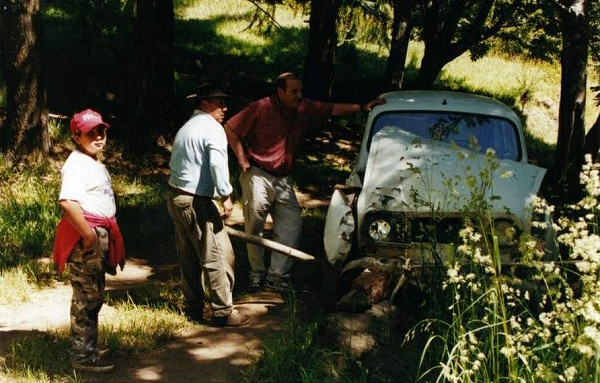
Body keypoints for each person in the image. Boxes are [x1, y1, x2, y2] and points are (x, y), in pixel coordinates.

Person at [224, 72, 385, 292]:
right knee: (254, 227)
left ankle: (276, 278)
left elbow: (331, 108)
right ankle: (256, 275)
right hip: (257, 174)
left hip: (283, 180)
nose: (299, 95)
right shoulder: (261, 107)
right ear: (280, 91)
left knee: (292, 226)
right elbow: (231, 128)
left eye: (301, 91)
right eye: (294, 91)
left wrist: (361, 107)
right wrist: (241, 159)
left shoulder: (303, 108)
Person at [167, 82, 250, 327]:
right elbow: (217, 164)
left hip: (176, 196)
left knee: (189, 255)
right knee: (218, 254)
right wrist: (226, 195)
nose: (224, 108)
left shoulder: (188, 127)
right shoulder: (212, 128)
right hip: (196, 200)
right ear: (204, 103)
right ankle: (223, 311)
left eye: (225, 103)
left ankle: (193, 308)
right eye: (218, 102)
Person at [52, 108, 126, 373]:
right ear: (76, 136)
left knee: (95, 293)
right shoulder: (76, 164)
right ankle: (82, 356)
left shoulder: (93, 161)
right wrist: (88, 234)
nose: (98, 137)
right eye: (90, 133)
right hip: (88, 236)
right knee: (86, 297)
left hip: (100, 233)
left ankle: (88, 345)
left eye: (101, 131)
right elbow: (67, 202)